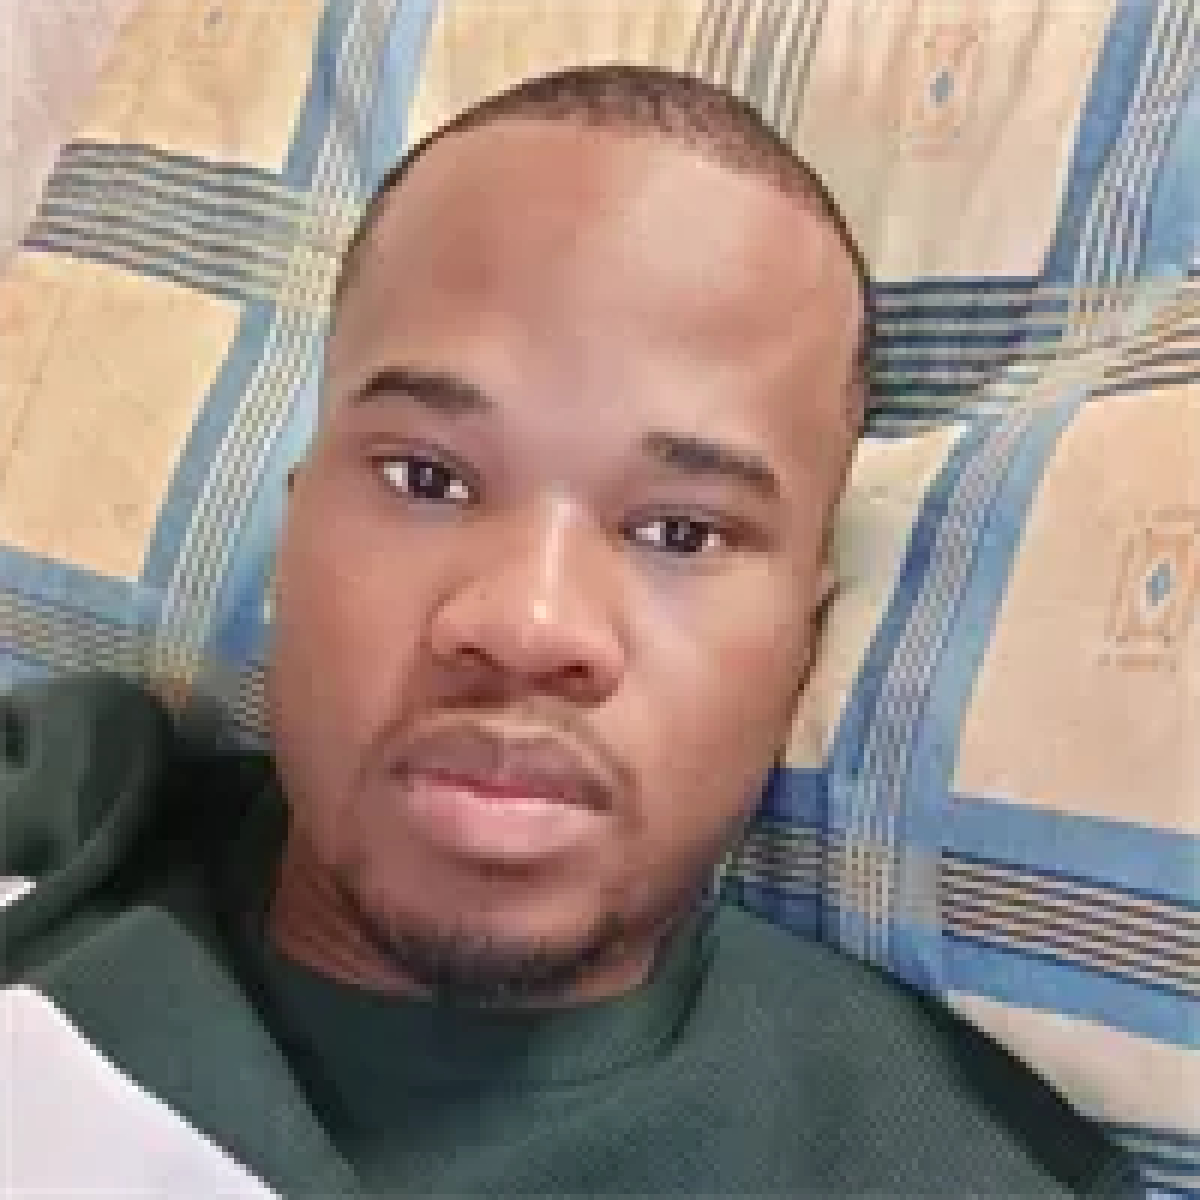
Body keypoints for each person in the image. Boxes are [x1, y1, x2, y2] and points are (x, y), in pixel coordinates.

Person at [0, 65, 1140, 1198]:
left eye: (682, 532)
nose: (527, 624)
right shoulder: (65, 811)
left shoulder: (941, 1169)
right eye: (427, 478)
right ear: (292, 532)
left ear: (804, 641)